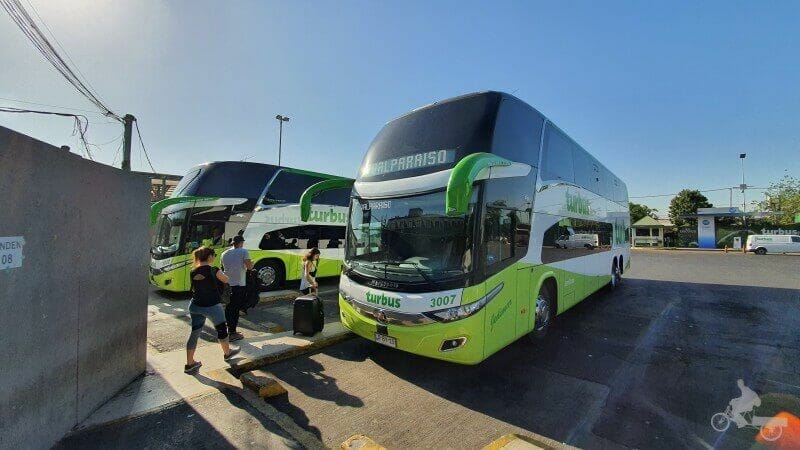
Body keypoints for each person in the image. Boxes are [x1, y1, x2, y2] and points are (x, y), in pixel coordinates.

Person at [184, 246, 239, 374]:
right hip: (212, 306)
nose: (214, 257)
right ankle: (227, 353)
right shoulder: (213, 270)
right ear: (209, 257)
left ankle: (189, 363)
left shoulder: (193, 271)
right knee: (221, 329)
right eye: (213, 255)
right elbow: (226, 280)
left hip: (195, 306)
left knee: (195, 332)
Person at [221, 235, 253, 342]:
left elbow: (223, 268)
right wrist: (251, 263)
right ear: (241, 243)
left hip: (227, 285)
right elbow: (249, 267)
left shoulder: (224, 253)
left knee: (229, 308)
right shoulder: (243, 251)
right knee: (235, 309)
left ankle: (228, 330)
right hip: (238, 285)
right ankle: (232, 332)